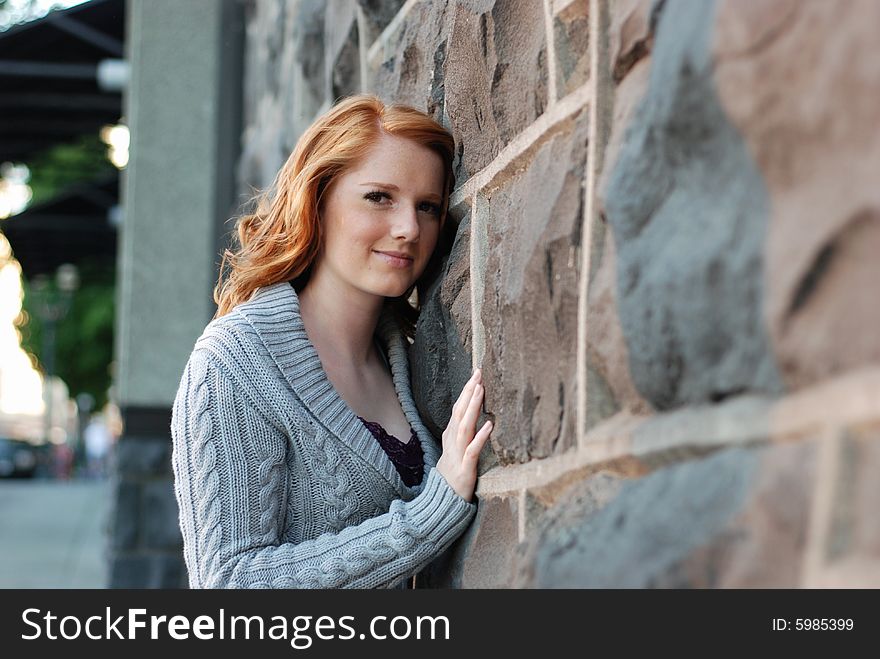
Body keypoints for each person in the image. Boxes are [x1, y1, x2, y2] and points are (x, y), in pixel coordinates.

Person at [171, 94, 493, 588]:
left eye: (427, 206)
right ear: (317, 202)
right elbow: (229, 584)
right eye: (379, 197)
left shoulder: (406, 360)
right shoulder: (235, 362)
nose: (409, 228)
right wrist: (432, 514)